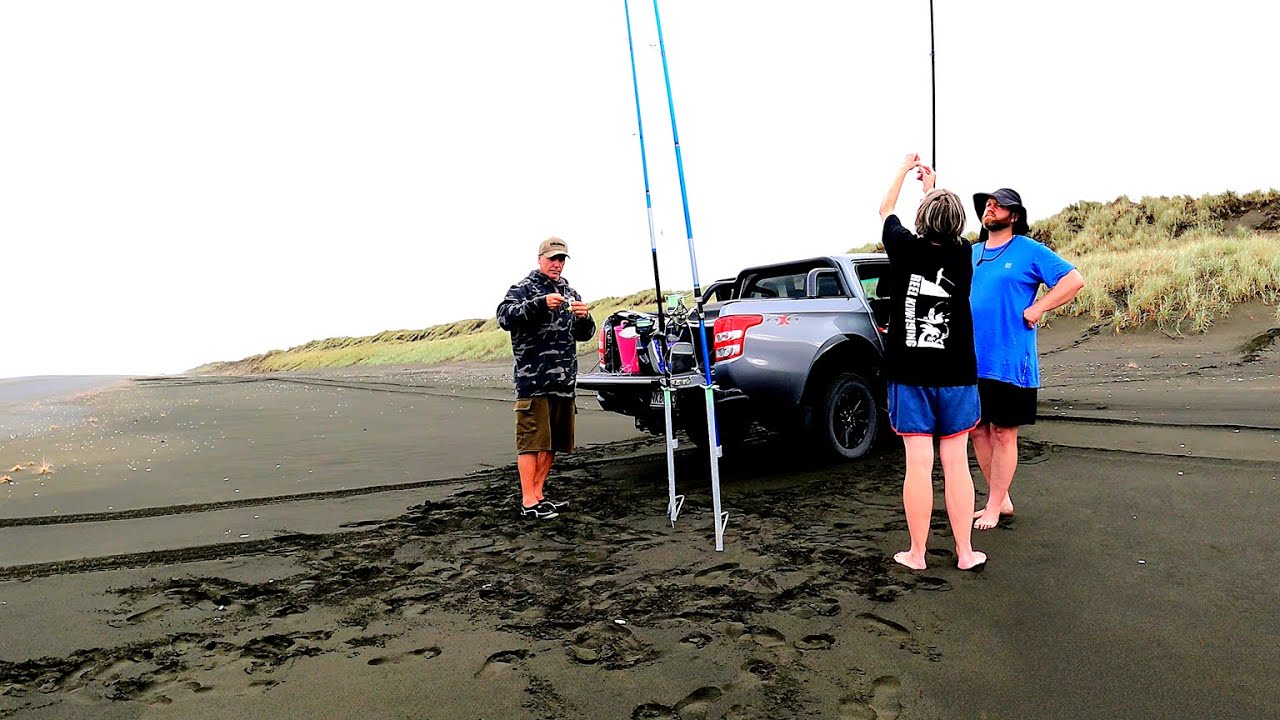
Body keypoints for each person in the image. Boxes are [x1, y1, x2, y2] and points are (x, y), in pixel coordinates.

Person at [878, 153, 986, 571]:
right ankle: (965, 552)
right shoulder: (964, 255)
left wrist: (905, 171)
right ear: (958, 224)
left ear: (921, 220)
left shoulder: (903, 249)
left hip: (910, 375)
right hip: (958, 374)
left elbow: (886, 209)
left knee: (918, 465)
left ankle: (918, 554)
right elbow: (942, 222)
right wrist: (932, 186)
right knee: (956, 463)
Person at [969, 189, 1085, 530]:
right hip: (973, 360)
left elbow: (1074, 279)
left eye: (997, 204)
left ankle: (993, 506)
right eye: (986, 205)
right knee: (977, 430)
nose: (990, 208)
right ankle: (999, 499)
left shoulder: (1028, 250)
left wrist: (1038, 308)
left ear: (1014, 215)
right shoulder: (972, 253)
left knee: (1004, 432)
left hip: (1010, 360)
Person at [496, 237, 596, 520]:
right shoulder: (523, 289)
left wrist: (585, 317)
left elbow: (584, 334)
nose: (557, 264)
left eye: (562, 259)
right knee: (531, 442)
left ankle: (538, 494)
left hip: (564, 382)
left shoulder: (570, 291)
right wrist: (540, 304)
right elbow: (504, 317)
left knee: (553, 442)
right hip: (534, 381)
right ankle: (528, 502)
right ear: (540, 259)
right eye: (552, 258)